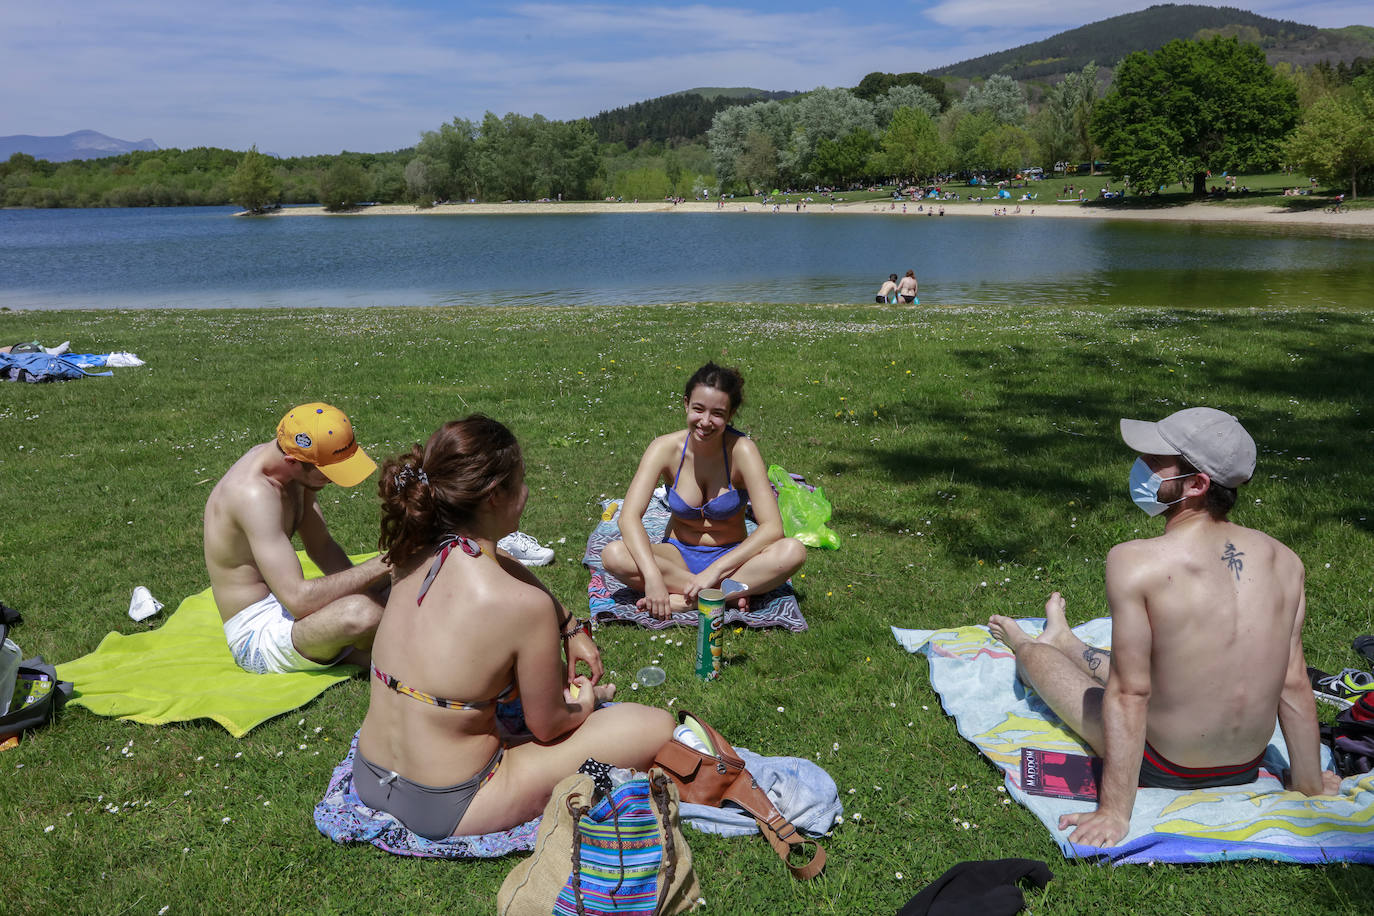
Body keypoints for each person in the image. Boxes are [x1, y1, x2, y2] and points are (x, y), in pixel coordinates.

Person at [987, 407, 1340, 848]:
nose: (1141, 469)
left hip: (1165, 764)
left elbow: (1131, 694)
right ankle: (1068, 640)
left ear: (1196, 485)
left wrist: (1114, 810)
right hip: (1245, 763)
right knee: (1158, 662)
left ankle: (1035, 641)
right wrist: (1307, 782)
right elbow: (1292, 682)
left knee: (1039, 659)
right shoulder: (1285, 561)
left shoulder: (1135, 561)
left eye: (1154, 462)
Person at [353, 416, 673, 838]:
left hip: (370, 776)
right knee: (655, 726)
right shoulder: (522, 606)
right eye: (520, 482)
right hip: (452, 803)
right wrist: (587, 700)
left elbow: (493, 560)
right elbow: (550, 726)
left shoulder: (410, 555)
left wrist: (568, 624)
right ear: (493, 496)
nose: (526, 494)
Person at [601, 363, 807, 618]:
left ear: (731, 415)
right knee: (613, 554)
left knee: (793, 551)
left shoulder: (742, 451)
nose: (706, 421)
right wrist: (653, 577)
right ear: (686, 404)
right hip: (677, 556)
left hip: (732, 560)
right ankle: (723, 596)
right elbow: (629, 517)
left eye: (718, 413)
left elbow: (772, 527)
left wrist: (716, 570)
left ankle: (689, 601)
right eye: (698, 409)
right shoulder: (664, 448)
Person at [206, 403, 390, 674]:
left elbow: (322, 546)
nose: (333, 480)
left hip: (292, 613)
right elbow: (299, 601)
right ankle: (383, 650)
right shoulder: (252, 496)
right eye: (328, 472)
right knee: (363, 613)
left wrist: (378, 583)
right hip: (257, 635)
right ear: (292, 462)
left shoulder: (293, 471)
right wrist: (381, 566)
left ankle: (377, 650)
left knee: (402, 581)